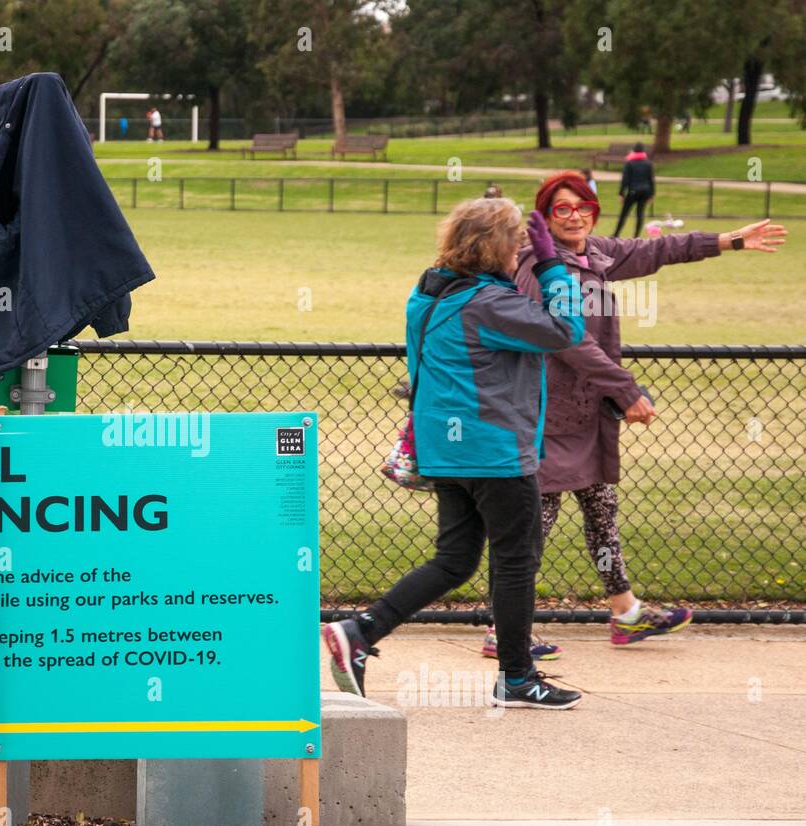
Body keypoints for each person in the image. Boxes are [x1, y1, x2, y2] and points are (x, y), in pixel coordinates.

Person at [507, 171, 787, 652]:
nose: (575, 216)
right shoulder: (538, 269)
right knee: (537, 524)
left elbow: (659, 250)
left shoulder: (594, 254)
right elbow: (567, 341)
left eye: (584, 207)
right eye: (563, 208)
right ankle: (503, 628)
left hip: (587, 412)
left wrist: (730, 241)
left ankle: (627, 612)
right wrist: (626, 390)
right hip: (546, 414)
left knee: (601, 513)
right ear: (546, 217)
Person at [324, 198, 586, 710]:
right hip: (495, 452)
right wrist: (553, 267)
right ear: (497, 247)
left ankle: (361, 630)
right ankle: (517, 677)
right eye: (515, 245)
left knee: (455, 560)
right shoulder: (488, 303)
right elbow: (565, 331)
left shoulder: (427, 295)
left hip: (447, 450)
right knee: (515, 562)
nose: (520, 255)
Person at [614, 143, 654, 238]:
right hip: (645, 191)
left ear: (633, 151)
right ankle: (636, 236)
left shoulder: (630, 163)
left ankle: (616, 234)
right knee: (640, 213)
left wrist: (621, 193)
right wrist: (652, 194)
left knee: (624, 213)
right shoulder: (648, 163)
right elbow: (651, 179)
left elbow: (625, 180)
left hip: (633, 191)